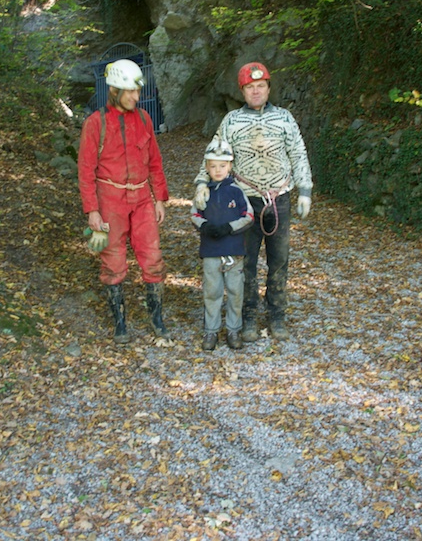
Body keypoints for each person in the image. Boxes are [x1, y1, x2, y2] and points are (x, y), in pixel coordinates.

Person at [193, 61, 313, 342]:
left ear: (268, 88)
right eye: (250, 87)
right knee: (245, 262)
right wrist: (201, 183)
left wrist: (305, 190)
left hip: (279, 199)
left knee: (279, 260)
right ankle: (248, 317)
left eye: (260, 86)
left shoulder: (284, 118)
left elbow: (298, 153)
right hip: (245, 201)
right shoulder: (231, 121)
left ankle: (277, 315)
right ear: (242, 91)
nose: (256, 91)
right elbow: (214, 153)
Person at [78, 58, 169, 344]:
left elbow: (154, 161)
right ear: (114, 90)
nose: (136, 97)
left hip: (141, 198)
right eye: (130, 91)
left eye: (137, 91)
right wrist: (92, 210)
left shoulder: (144, 119)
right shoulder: (96, 124)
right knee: (113, 261)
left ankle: (156, 319)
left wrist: (160, 198)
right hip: (110, 200)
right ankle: (120, 323)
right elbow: (86, 171)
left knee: (152, 258)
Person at [190, 136, 254, 352]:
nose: (218, 170)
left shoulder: (237, 191)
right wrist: (205, 226)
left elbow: (248, 216)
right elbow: (194, 214)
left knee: (236, 291)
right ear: (207, 167)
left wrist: (229, 227)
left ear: (230, 166)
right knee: (212, 291)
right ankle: (211, 330)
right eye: (213, 166)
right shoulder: (203, 192)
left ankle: (234, 329)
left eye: (222, 166)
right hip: (211, 250)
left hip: (234, 250)